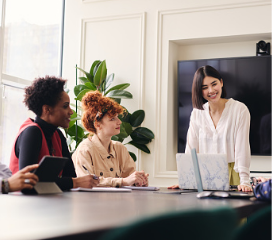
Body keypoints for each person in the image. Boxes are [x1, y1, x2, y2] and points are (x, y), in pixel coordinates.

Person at [169, 65, 252, 192]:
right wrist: (185, 179)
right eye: (204, 87)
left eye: (214, 84)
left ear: (221, 83)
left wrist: (245, 181)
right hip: (203, 176)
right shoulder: (197, 113)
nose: (211, 90)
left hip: (232, 175)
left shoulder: (239, 110)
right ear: (199, 90)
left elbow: (242, 148)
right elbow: (191, 149)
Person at [9, 76, 99, 190]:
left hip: (48, 202)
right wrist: (74, 182)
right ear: (47, 109)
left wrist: (74, 181)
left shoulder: (58, 135)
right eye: (65, 106)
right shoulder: (31, 132)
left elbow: (70, 176)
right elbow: (29, 182)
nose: (71, 112)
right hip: (24, 203)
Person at [72, 91, 149, 187]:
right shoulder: (85, 149)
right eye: (113, 119)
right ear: (97, 124)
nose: (119, 122)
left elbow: (130, 179)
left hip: (118, 201)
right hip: (91, 202)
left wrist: (139, 181)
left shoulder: (120, 148)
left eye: (117, 117)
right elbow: (86, 182)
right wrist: (122, 181)